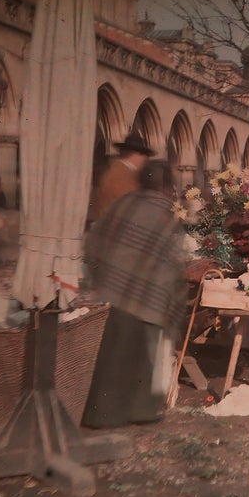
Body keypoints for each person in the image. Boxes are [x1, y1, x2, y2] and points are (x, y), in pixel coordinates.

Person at [81, 160, 189, 427]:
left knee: (112, 357)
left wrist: (100, 278)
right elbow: (175, 262)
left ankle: (101, 416)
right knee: (146, 360)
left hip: (113, 293)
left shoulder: (123, 203)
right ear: (166, 186)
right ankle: (143, 412)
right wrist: (176, 303)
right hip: (150, 296)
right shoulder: (168, 213)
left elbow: (93, 242)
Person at [88, 136, 153, 227]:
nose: (146, 160)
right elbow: (130, 208)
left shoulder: (121, 171)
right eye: (145, 155)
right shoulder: (121, 175)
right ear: (137, 154)